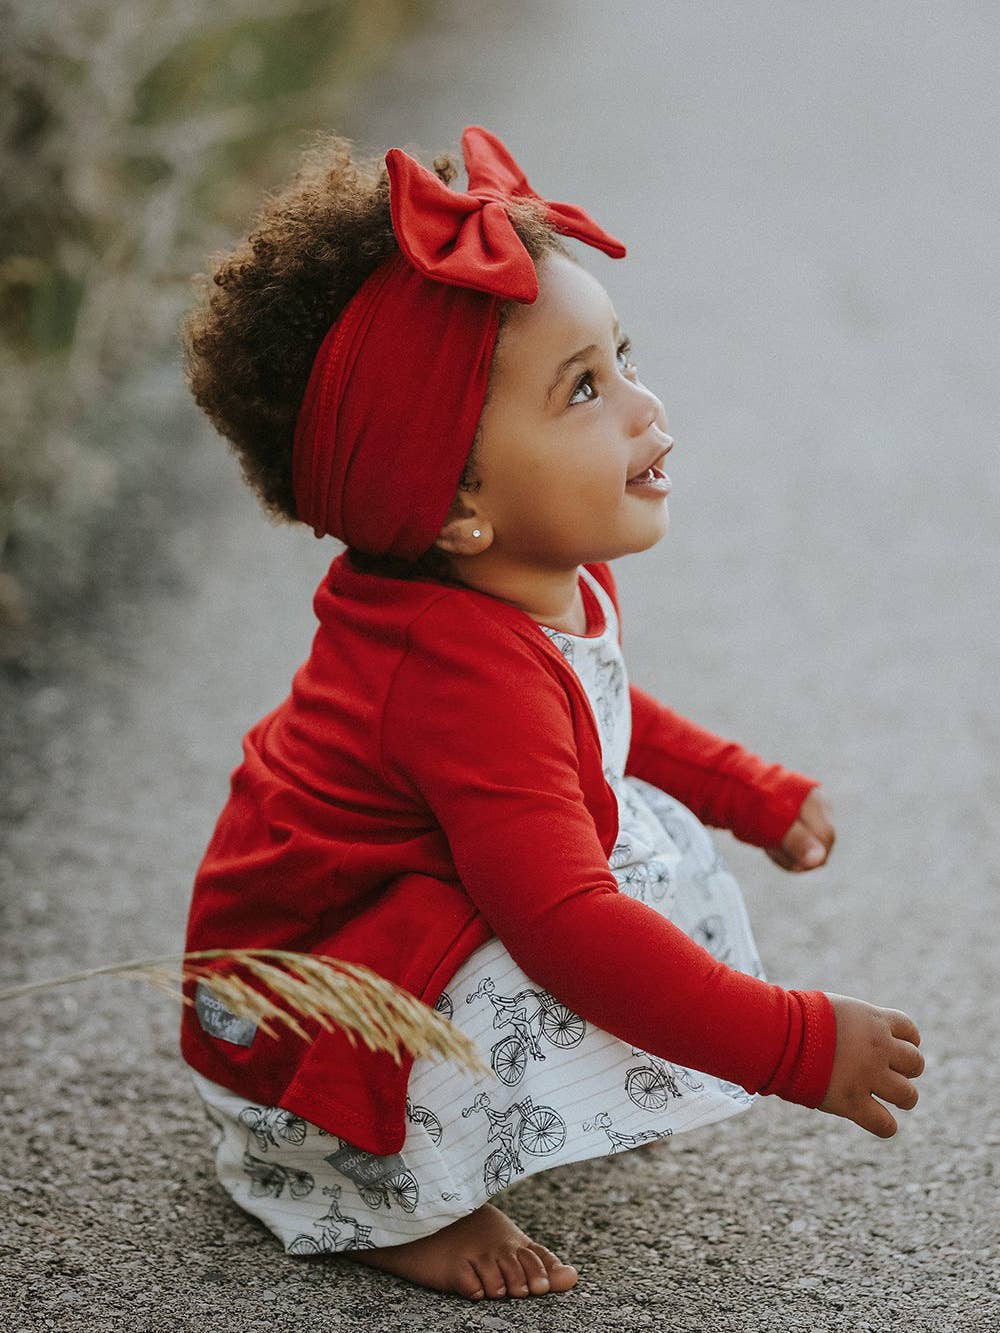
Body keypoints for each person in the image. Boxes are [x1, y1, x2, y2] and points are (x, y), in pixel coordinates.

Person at [178, 125, 925, 1303]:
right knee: (572, 931)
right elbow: (567, 927)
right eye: (584, 388)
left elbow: (601, 713)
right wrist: (789, 1042)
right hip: (303, 1012)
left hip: (402, 910)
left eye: (622, 355)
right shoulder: (450, 675)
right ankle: (384, 1193)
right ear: (457, 506)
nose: (643, 402)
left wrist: (742, 788)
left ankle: (526, 1096)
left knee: (641, 843)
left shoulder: (532, 584)